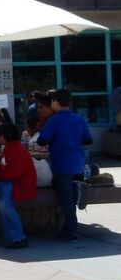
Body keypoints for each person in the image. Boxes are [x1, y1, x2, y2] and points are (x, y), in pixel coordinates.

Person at [38, 88, 93, 241]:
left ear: (55, 102)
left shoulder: (54, 120)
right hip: (78, 163)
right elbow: (88, 140)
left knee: (66, 199)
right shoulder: (78, 119)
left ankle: (70, 230)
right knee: (71, 197)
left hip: (62, 164)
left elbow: (42, 140)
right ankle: (78, 196)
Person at [0, 123, 37, 249]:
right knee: (4, 205)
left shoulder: (13, 149)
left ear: (3, 137)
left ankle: (18, 237)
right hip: (13, 182)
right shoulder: (12, 148)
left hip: (18, 183)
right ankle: (13, 237)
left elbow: (12, 172)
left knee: (4, 205)